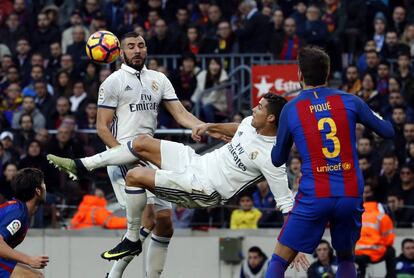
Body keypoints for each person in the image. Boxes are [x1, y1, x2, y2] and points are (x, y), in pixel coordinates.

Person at [47, 93, 294, 259]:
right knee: (142, 142)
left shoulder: (272, 157)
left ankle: (131, 238)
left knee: (134, 175)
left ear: (271, 118)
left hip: (203, 189)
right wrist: (210, 127)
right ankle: (82, 165)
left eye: (260, 107)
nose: (254, 108)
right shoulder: (252, 122)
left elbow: (286, 207)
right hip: (196, 163)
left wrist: (293, 248)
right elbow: (239, 127)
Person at [77, 31, 206, 278]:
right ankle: (113, 275)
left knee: (166, 223)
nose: (137, 50)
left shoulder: (159, 79)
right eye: (131, 46)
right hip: (124, 156)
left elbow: (180, 114)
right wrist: (123, 154)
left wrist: (203, 126)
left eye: (141, 45)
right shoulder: (112, 82)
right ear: (120, 52)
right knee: (148, 218)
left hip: (151, 155)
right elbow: (102, 128)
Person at [268, 46, 395, 277]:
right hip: (349, 193)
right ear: (327, 73)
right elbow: (388, 131)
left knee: (278, 260)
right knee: (346, 256)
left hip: (314, 196)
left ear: (299, 75)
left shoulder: (291, 108)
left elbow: (277, 159)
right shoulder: (351, 100)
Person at [0, 168, 49, 277]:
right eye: (43, 184)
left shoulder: (18, 209)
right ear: (38, 190)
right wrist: (29, 260)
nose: (46, 187)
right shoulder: (18, 213)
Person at [355, 185, 396, 278]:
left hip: (356, 253)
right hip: (375, 253)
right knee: (391, 251)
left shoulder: (355, 214)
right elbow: (389, 241)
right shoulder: (382, 216)